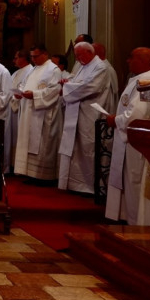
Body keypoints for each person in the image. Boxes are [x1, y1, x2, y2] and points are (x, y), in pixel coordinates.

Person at [105, 47, 150, 226]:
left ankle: (136, 222)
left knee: (133, 180)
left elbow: (136, 115)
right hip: (128, 139)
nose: (128, 61)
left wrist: (116, 120)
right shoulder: (138, 79)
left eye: (131, 57)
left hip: (136, 142)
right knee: (128, 180)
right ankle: (128, 216)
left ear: (143, 60)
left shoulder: (147, 80)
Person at [58, 42, 112, 194]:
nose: (77, 59)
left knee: (87, 147)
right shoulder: (83, 66)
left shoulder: (101, 67)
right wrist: (67, 82)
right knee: (75, 147)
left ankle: (88, 186)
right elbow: (76, 81)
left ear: (90, 52)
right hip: (76, 112)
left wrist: (67, 88)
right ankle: (74, 184)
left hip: (90, 113)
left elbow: (90, 87)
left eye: (79, 55)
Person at [13, 45, 62, 183]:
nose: (33, 59)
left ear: (45, 54)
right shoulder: (33, 69)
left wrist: (34, 95)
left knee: (42, 143)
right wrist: (20, 93)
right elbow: (23, 84)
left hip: (43, 113)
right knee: (28, 141)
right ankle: (29, 173)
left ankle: (43, 176)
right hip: (29, 111)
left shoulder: (53, 70)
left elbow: (55, 90)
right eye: (32, 57)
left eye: (36, 56)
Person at [8, 50, 33, 173]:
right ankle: (13, 163)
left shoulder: (30, 71)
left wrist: (19, 96)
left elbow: (26, 89)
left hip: (22, 108)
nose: (14, 60)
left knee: (19, 136)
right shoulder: (16, 72)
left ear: (23, 58)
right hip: (12, 107)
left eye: (16, 57)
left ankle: (18, 166)